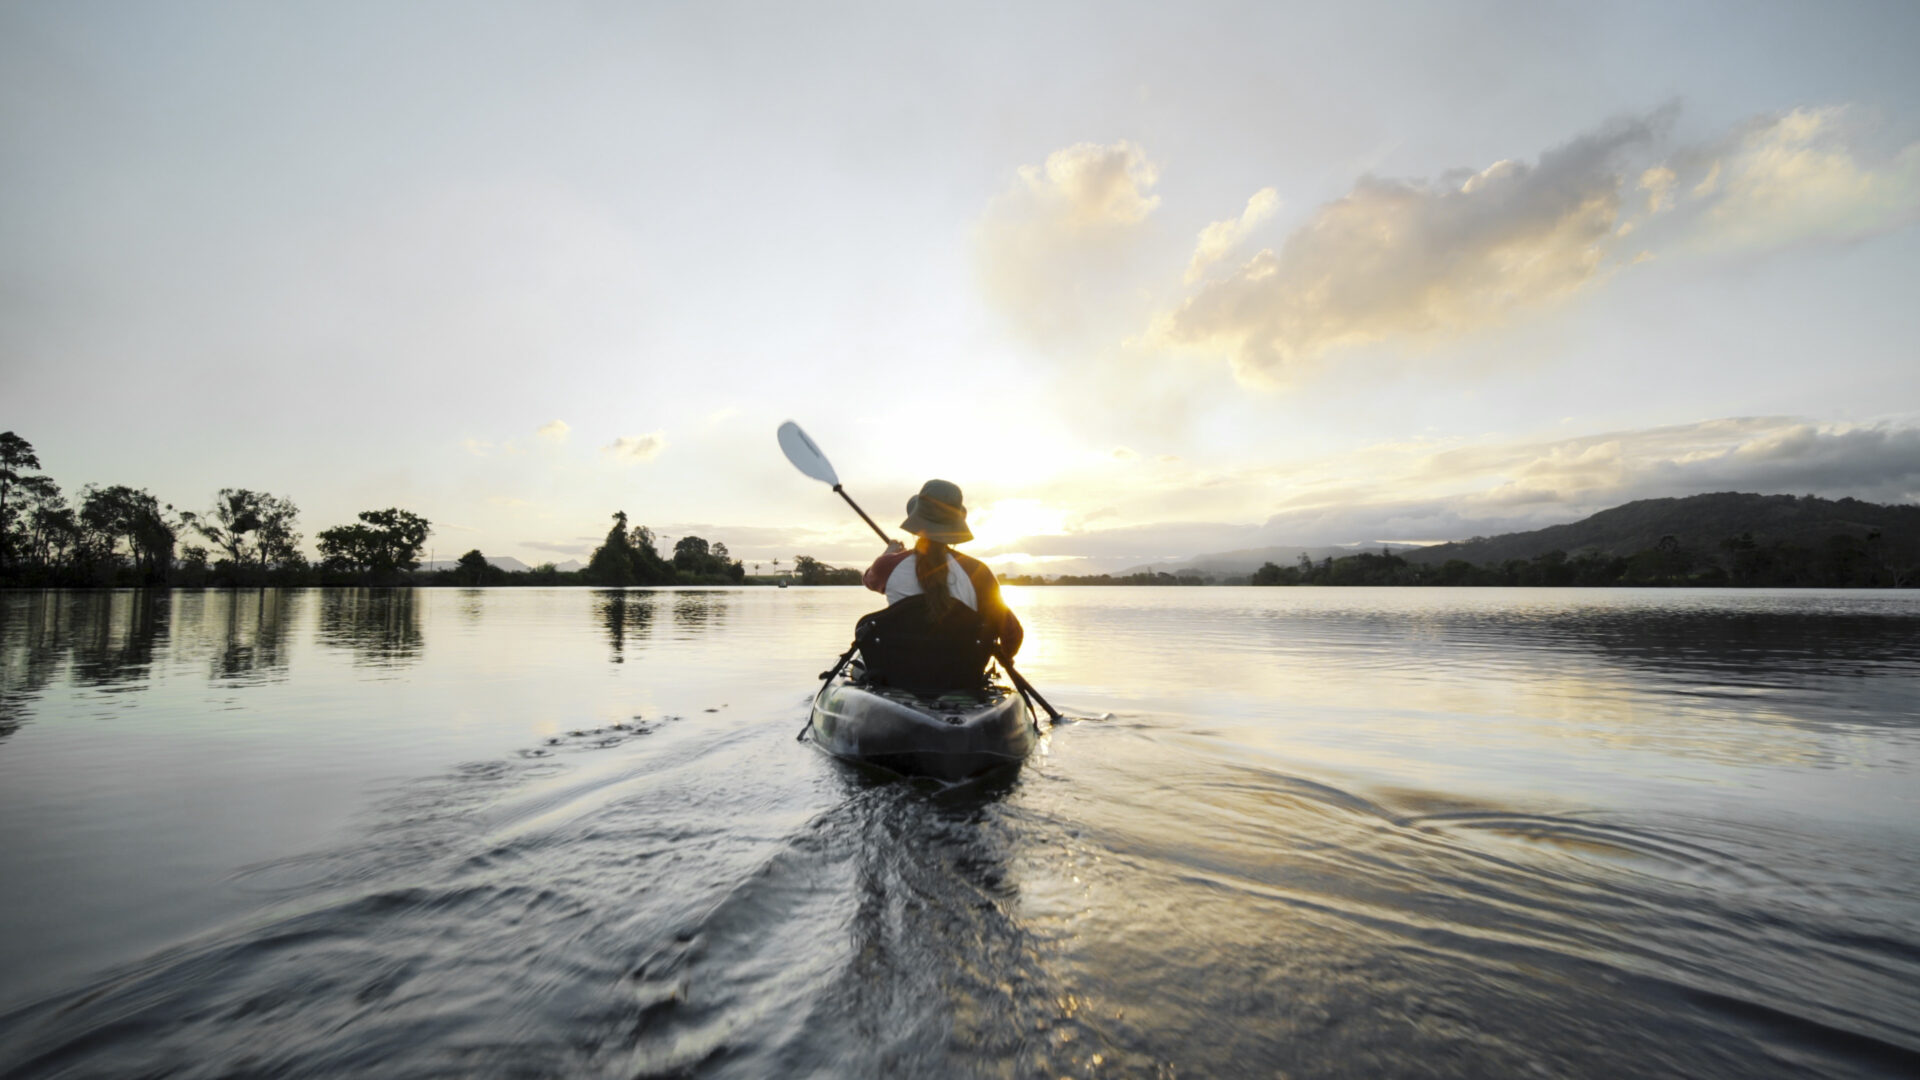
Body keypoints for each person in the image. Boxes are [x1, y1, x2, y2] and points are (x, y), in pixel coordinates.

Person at [856, 479, 1022, 689]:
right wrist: (1003, 658)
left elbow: (868, 579)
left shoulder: (888, 565)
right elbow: (1012, 633)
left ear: (916, 523)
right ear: (955, 527)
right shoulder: (977, 572)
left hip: (900, 676)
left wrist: (889, 553)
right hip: (961, 679)